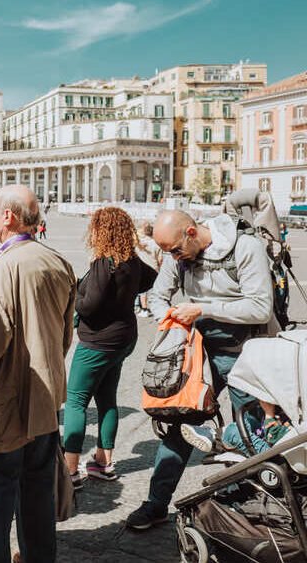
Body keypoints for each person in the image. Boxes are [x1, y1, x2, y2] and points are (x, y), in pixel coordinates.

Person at [126, 209, 274, 531]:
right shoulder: (176, 254)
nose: (173, 258)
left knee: (247, 432)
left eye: (175, 250)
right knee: (179, 424)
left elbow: (261, 306)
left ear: (191, 232)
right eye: (168, 253)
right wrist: (172, 322)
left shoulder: (246, 247)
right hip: (197, 354)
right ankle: (156, 503)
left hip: (244, 353)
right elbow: (158, 295)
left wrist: (203, 309)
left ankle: (245, 508)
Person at [0, 184, 75, 563]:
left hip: (6, 399)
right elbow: (65, 334)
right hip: (46, 396)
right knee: (38, 490)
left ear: (8, 217)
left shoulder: (0, 268)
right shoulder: (57, 260)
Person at [64, 207, 156, 488]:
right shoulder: (131, 260)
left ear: (100, 232)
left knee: (76, 401)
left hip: (97, 342)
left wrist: (76, 296)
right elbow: (151, 278)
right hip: (124, 338)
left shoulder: (104, 263)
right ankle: (104, 462)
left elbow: (89, 305)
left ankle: (70, 471)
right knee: (107, 399)